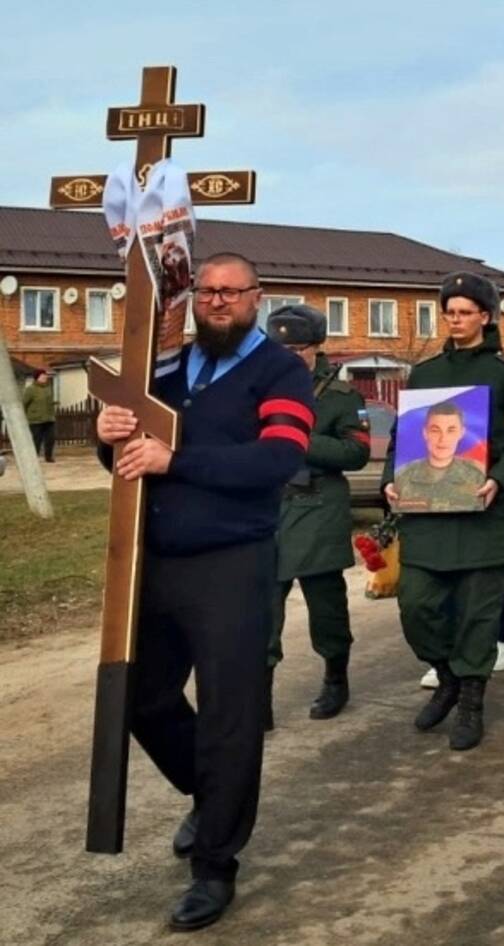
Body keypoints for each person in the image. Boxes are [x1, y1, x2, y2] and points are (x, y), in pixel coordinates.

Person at [95, 252, 314, 930]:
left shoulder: (278, 369)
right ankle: (209, 794)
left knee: (228, 714)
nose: (217, 302)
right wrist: (110, 439)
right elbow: (130, 451)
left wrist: (176, 458)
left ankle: (215, 864)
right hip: (153, 559)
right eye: (208, 292)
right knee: (139, 696)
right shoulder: (164, 369)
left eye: (232, 292)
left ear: (258, 297)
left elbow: (279, 456)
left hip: (232, 562)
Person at [383, 272, 504, 752]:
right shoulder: (425, 374)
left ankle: (471, 700)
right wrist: (393, 478)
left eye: (465, 312)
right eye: (449, 312)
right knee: (416, 606)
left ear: (485, 316)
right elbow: (402, 440)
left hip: (481, 517)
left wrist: (500, 477)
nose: (456, 320)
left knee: (477, 616)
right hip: (427, 516)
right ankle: (448, 676)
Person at [265, 305, 370, 728]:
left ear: (316, 348)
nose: (289, 357)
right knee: (261, 609)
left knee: (326, 606)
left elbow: (356, 452)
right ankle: (259, 695)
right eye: (280, 349)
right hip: (267, 509)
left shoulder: (340, 397)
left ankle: (335, 678)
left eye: (298, 348)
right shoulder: (257, 389)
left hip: (317, 507)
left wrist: (297, 440)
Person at [392, 401, 487, 510]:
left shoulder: (478, 476)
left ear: (461, 433)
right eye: (435, 430)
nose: (443, 439)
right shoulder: (403, 476)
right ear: (425, 433)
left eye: (451, 431)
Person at [22, 369, 57, 462]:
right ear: (37, 378)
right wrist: (26, 416)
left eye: (45, 375)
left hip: (49, 418)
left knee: (51, 438)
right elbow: (24, 403)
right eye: (42, 376)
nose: (45, 377)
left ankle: (48, 457)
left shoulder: (48, 388)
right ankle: (34, 457)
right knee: (36, 440)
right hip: (36, 420)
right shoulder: (30, 389)